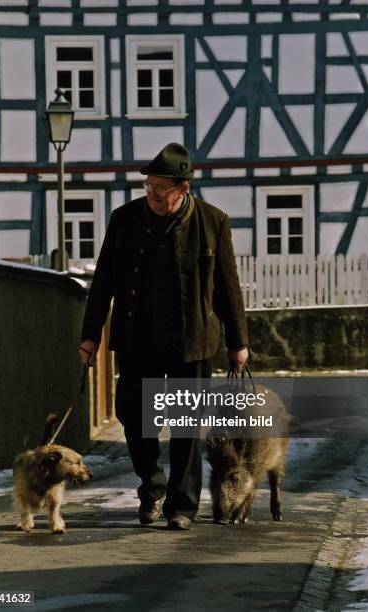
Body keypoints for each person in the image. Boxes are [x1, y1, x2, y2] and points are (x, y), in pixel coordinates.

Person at [79, 142, 249, 530]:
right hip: (139, 338)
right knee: (135, 418)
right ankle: (151, 486)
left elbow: (228, 286)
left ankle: (181, 507)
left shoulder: (212, 221)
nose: (152, 195)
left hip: (192, 342)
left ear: (183, 189)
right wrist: (90, 336)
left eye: (160, 189)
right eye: (149, 187)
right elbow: (103, 281)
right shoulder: (125, 220)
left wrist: (238, 341)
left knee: (188, 426)